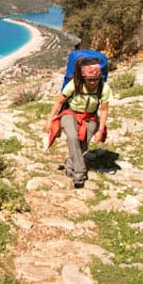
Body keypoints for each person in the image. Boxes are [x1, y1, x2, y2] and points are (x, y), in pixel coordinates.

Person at [44, 57, 112, 188]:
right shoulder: (74, 84)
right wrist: (49, 120)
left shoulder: (104, 88)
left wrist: (101, 130)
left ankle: (70, 164)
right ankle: (80, 174)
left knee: (83, 145)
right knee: (72, 137)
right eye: (90, 80)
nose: (93, 82)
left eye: (96, 79)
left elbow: (104, 110)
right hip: (70, 113)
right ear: (83, 77)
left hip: (90, 117)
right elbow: (59, 102)